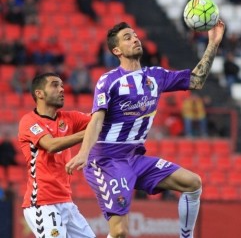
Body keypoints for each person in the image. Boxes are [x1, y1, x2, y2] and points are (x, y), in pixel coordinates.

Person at [66, 20, 225, 238]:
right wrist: (83, 152)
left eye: (134, 35)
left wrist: (213, 44)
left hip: (135, 158)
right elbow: (96, 120)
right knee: (120, 231)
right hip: (106, 161)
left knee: (192, 183)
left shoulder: (156, 76)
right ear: (116, 50)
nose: (135, 39)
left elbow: (196, 81)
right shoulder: (109, 81)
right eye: (127, 37)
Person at [18, 73, 96, 238]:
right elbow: (51, 145)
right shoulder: (29, 121)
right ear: (39, 93)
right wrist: (89, 134)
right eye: (54, 85)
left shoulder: (69, 118)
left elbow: (98, 120)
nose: (62, 89)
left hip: (66, 202)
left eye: (62, 85)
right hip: (42, 203)